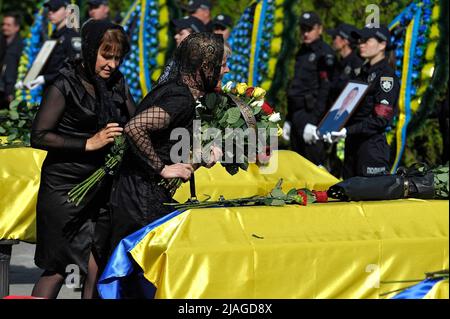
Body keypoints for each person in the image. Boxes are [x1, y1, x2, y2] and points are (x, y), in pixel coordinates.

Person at [30, 19, 135, 299]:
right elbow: (39, 135)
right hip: (65, 189)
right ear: (90, 50)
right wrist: (89, 143)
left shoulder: (118, 83)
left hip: (101, 187)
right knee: (58, 268)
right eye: (106, 55)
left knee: (96, 263)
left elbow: (135, 123)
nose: (112, 64)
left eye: (117, 57)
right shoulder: (65, 84)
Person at [110, 32, 228, 253]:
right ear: (204, 67)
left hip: (136, 191)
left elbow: (164, 141)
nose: (226, 70)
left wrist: (200, 156)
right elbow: (135, 127)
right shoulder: (180, 98)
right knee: (139, 274)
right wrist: (162, 168)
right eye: (222, 65)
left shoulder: (178, 91)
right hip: (141, 198)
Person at [323, 25, 400, 179]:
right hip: (352, 146)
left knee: (368, 200)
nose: (361, 44)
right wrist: (331, 127)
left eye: (366, 40)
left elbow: (380, 120)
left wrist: (346, 131)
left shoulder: (386, 77)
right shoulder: (362, 73)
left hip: (371, 149)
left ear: (382, 45)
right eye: (360, 40)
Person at [284, 11, 335, 165]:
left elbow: (325, 90)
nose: (305, 33)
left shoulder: (324, 54)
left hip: (311, 115)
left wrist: (314, 122)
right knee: (296, 165)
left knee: (314, 166)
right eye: (302, 29)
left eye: (309, 29)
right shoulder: (302, 51)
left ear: (319, 29)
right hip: (297, 115)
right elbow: (296, 86)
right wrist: (289, 118)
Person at [15, 0, 80, 91]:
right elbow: (45, 63)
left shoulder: (72, 36)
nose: (50, 12)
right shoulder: (54, 35)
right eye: (49, 9)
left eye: (55, 9)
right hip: (50, 89)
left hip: (64, 92)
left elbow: (74, 69)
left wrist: (45, 78)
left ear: (68, 11)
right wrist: (27, 80)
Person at [327, 23, 364, 102]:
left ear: (345, 41)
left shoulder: (356, 64)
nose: (332, 41)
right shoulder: (338, 63)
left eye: (334, 38)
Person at [0, 12, 23, 108]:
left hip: (12, 91)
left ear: (16, 27)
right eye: (3, 24)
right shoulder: (1, 41)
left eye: (8, 25)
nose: (4, 27)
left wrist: (12, 91)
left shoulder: (22, 46)